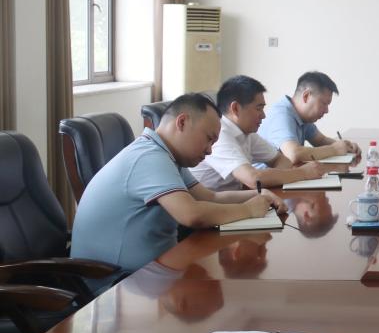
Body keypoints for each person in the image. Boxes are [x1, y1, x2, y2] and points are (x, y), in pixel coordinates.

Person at [70, 93, 286, 274]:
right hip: (115, 284)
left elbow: (210, 197)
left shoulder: (166, 156)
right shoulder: (149, 157)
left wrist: (258, 195)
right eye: (208, 138)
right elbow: (191, 214)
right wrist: (248, 210)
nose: (209, 150)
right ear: (182, 122)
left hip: (153, 271)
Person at [191, 75, 335, 190]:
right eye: (258, 108)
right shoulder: (220, 135)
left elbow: (281, 160)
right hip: (213, 210)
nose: (264, 115)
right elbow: (254, 179)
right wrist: (302, 173)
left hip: (236, 200)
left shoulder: (247, 133)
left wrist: (270, 177)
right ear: (235, 109)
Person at [258, 71, 360, 163]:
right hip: (266, 177)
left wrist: (346, 146)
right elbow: (294, 154)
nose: (327, 110)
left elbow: (321, 140)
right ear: (306, 96)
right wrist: (335, 149)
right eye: (324, 103)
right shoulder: (281, 115)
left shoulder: (302, 117)